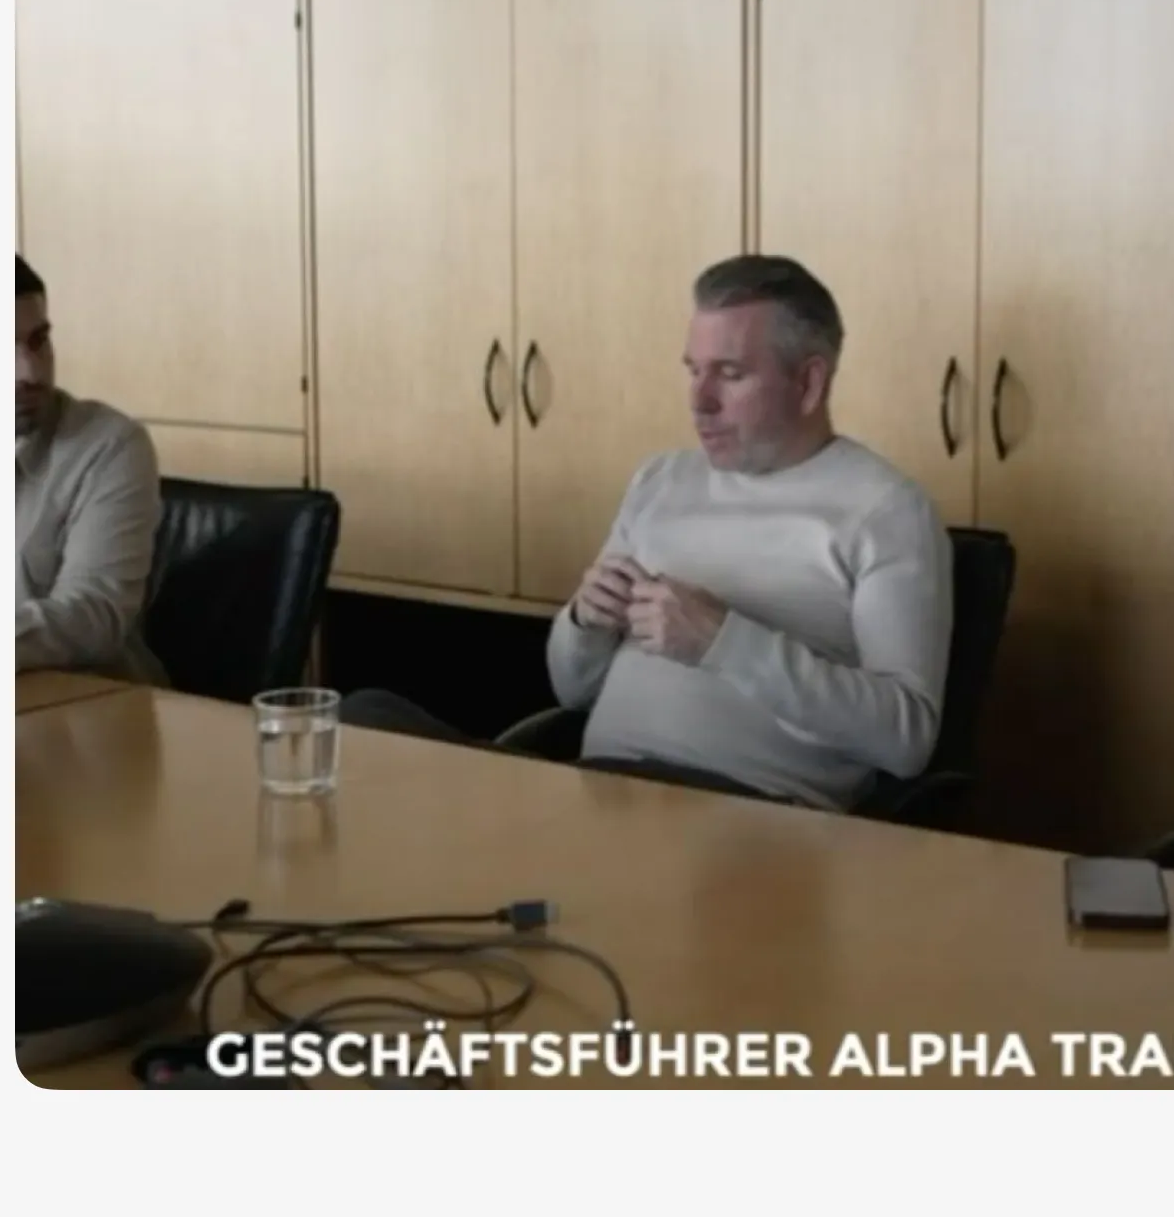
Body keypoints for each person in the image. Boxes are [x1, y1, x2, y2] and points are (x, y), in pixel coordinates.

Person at [344, 255, 955, 811]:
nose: (700, 401)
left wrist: (724, 643)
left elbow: (906, 740)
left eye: (730, 374)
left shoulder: (885, 511)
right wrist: (586, 622)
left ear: (809, 383)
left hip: (744, 817)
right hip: (597, 796)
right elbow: (573, 691)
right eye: (693, 371)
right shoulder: (662, 479)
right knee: (361, 716)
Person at [15, 255, 167, 685]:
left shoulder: (108, 446)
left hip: (91, 709)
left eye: (38, 341)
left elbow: (94, 615)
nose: (29, 372)